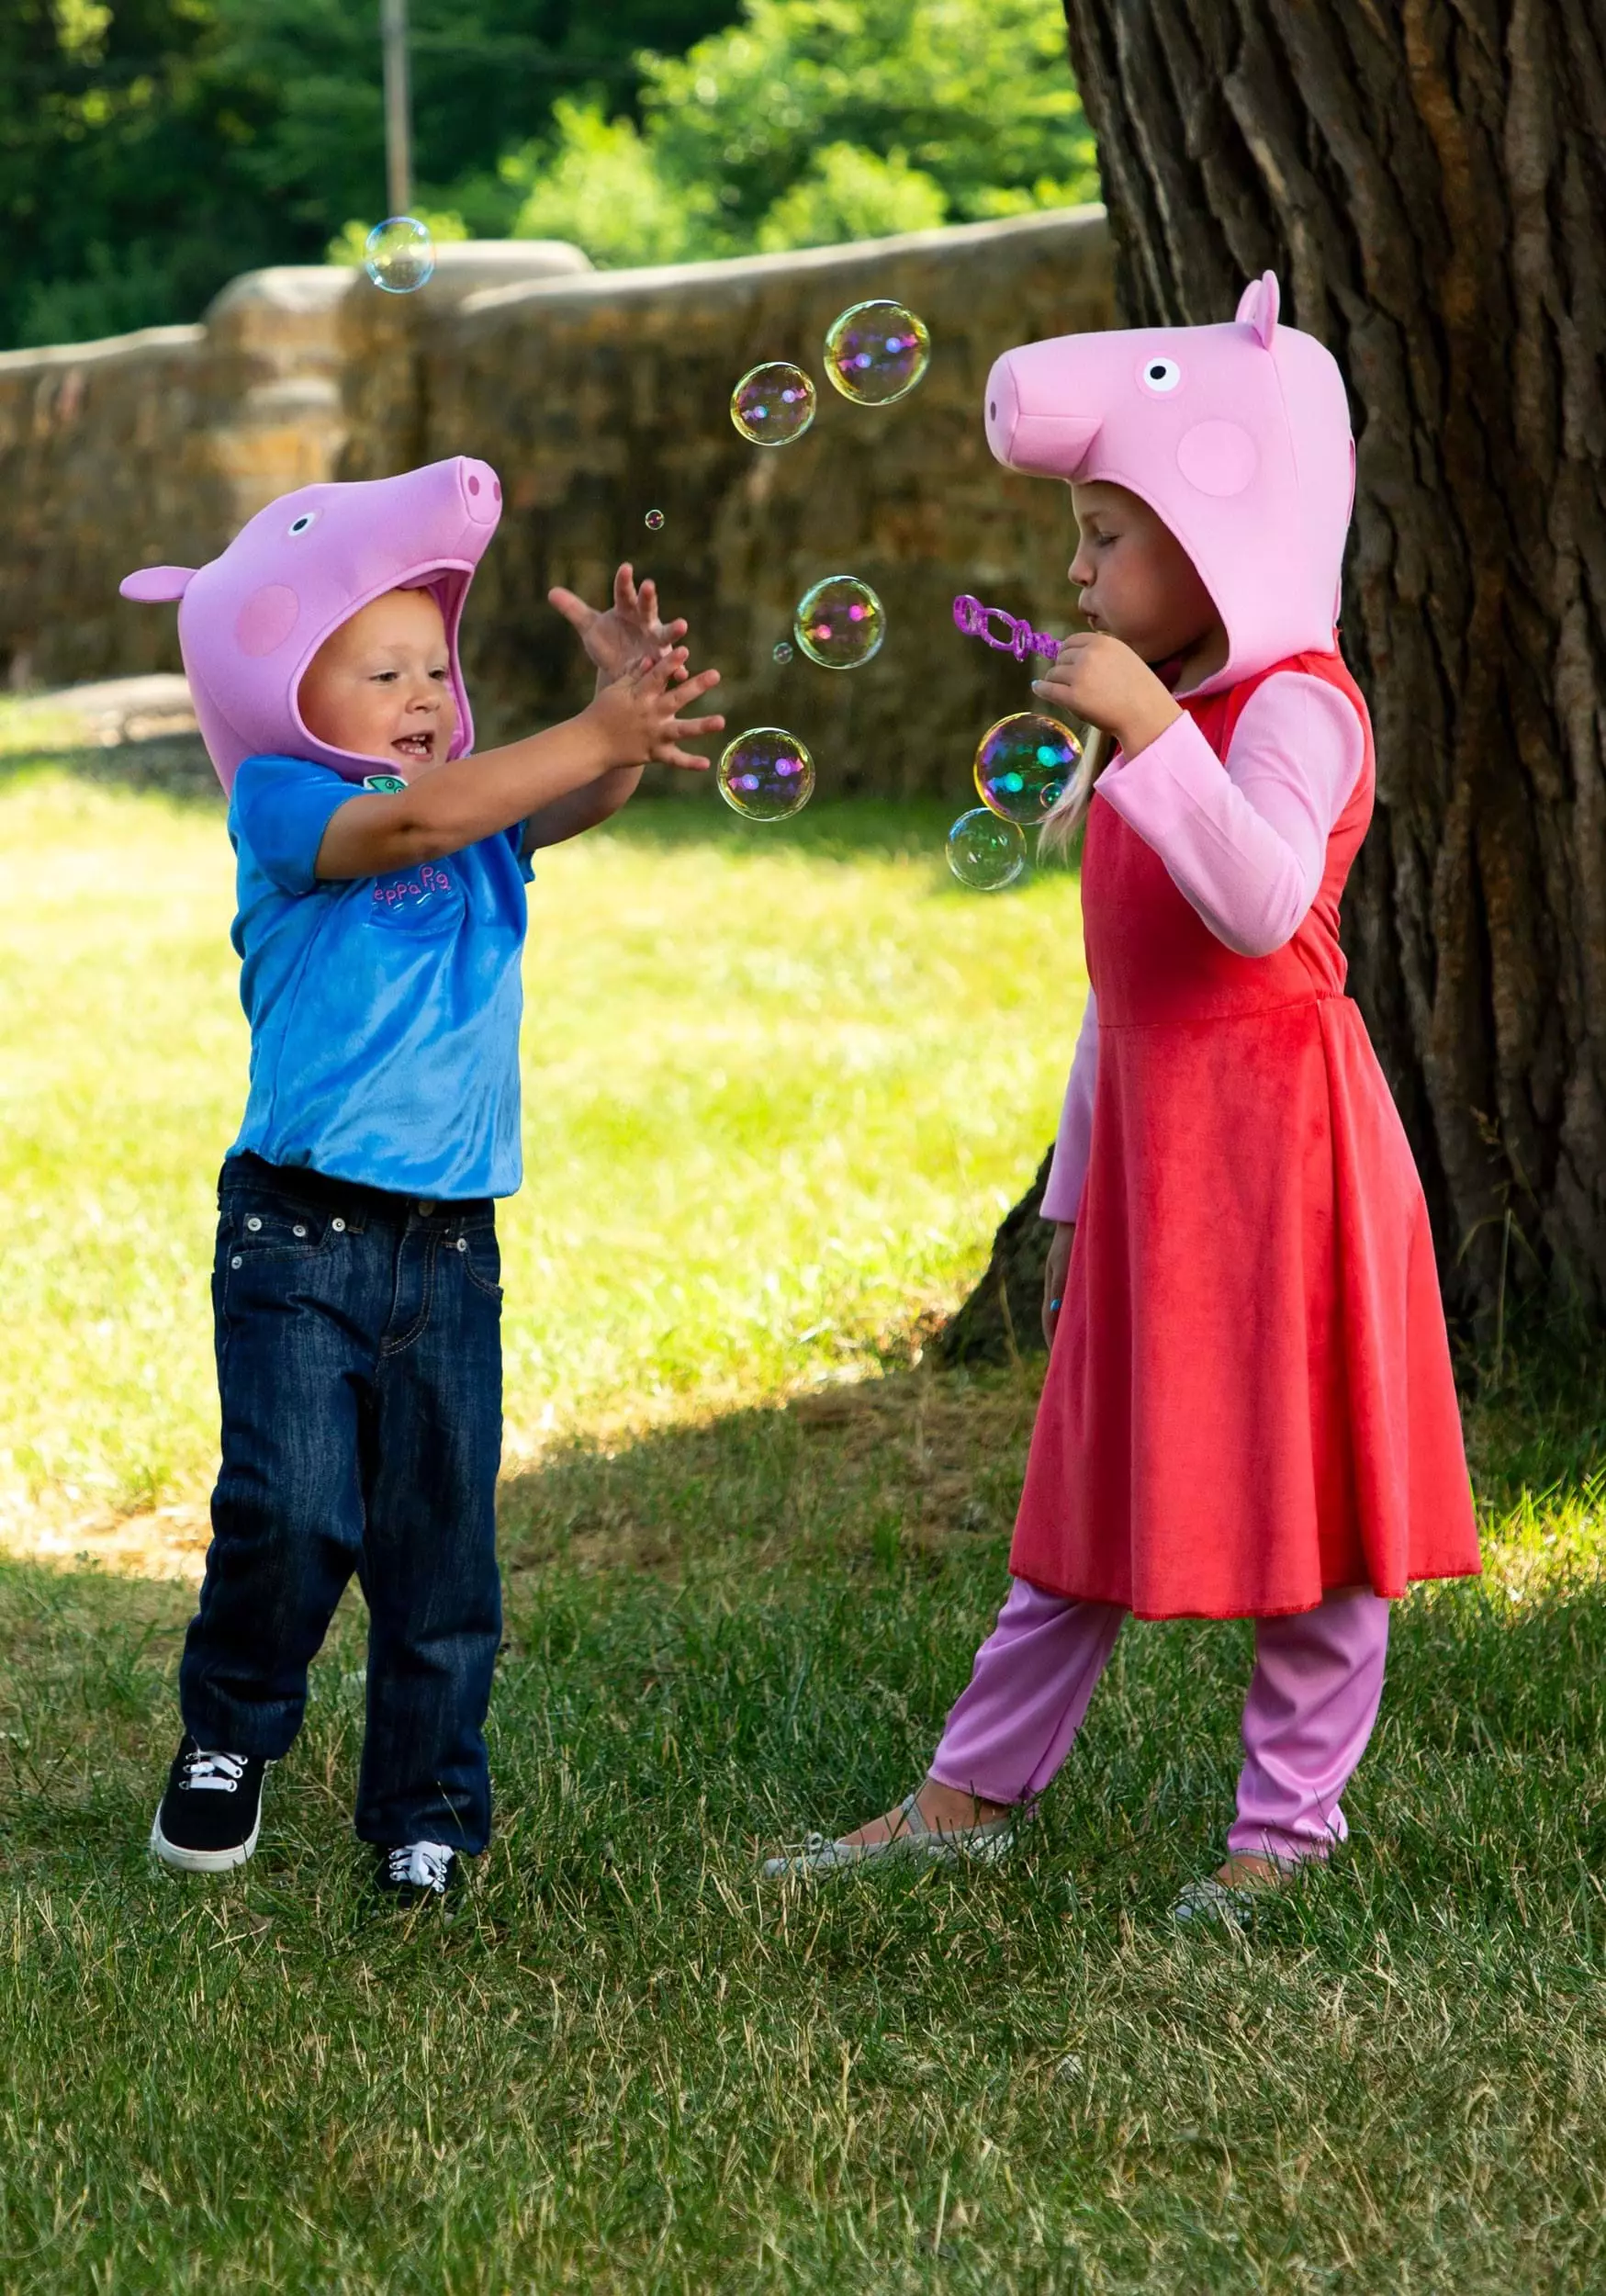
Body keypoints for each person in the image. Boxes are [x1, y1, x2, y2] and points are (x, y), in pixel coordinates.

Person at [766, 276, 1481, 1918]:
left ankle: (1282, 1841)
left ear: (1222, 525)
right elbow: (1124, 997)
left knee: (1319, 1504)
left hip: (1285, 1155)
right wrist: (1078, 1197)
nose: (1076, 574)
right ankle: (964, 1798)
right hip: (1165, 1161)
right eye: (1078, 540)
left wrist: (1154, 730)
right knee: (1079, 1491)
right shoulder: (1170, 724)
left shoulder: (1293, 704)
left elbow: (1259, 906)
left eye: (1104, 536)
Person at [119, 456, 723, 1901]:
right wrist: (585, 729)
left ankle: (427, 1809)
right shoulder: (283, 800)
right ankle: (229, 1736)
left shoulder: (480, 807)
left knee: (442, 1552)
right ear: (281, 689)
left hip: (449, 1247)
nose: (422, 696)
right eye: (380, 671)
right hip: (298, 1235)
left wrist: (620, 720)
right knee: (290, 1512)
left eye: (434, 670)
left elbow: (579, 800)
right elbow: (408, 825)